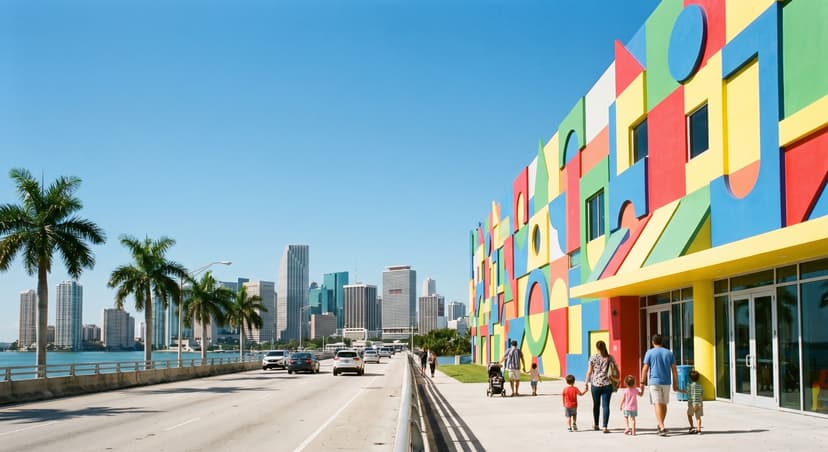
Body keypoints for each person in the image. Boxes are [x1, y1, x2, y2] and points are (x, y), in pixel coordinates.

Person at [640, 334, 678, 436]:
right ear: (662, 341)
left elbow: (645, 369)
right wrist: (676, 383)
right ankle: (661, 425)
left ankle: (661, 426)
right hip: (666, 382)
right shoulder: (669, 353)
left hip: (654, 382)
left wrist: (642, 382)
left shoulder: (649, 353)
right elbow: (674, 370)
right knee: (664, 404)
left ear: (653, 342)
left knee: (657, 403)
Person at [584, 340, 618, 433]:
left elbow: (589, 372)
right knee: (606, 406)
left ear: (597, 347)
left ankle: (596, 424)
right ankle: (605, 427)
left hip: (595, 385)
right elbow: (615, 368)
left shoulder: (593, 357)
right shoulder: (610, 357)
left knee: (596, 405)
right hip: (607, 384)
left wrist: (586, 383)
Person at [685, 370, 704, 434]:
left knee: (689, 415)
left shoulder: (689, 386)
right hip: (699, 404)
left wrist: (679, 390)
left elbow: (686, 392)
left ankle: (692, 427)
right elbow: (701, 394)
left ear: (690, 378)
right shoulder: (700, 386)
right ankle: (698, 429)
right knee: (698, 417)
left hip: (692, 404)